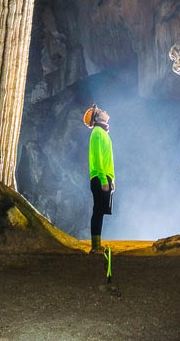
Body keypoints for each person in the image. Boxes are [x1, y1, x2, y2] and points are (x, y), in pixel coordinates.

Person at [82, 104, 114, 254]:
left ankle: (97, 245)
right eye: (101, 111)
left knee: (100, 211)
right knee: (98, 211)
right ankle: (95, 247)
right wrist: (103, 179)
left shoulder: (102, 132)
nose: (105, 111)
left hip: (104, 177)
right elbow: (99, 158)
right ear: (96, 117)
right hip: (99, 177)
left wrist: (111, 180)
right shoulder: (97, 132)